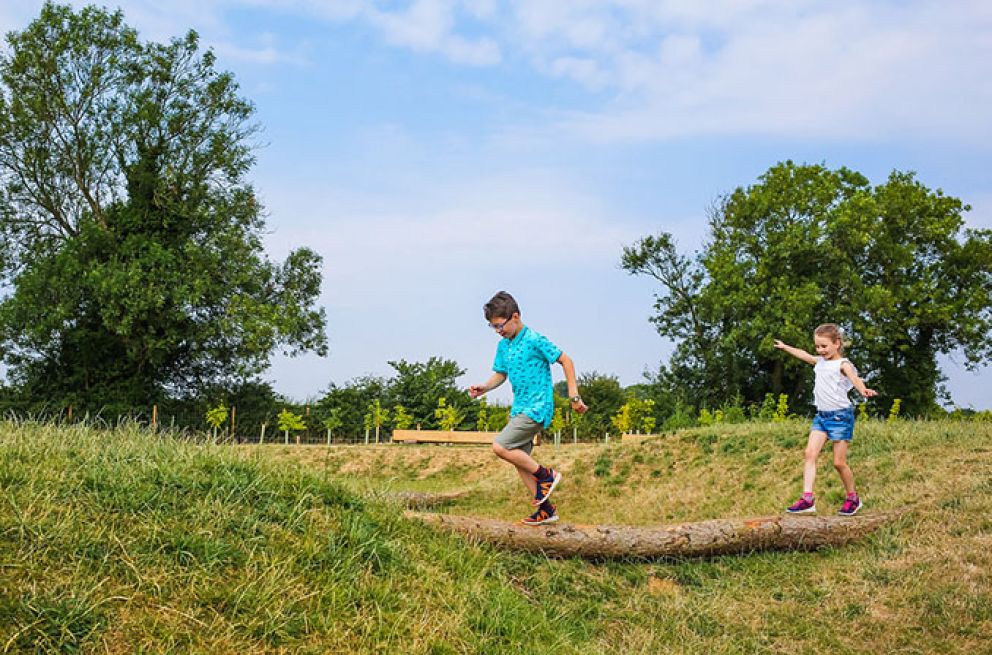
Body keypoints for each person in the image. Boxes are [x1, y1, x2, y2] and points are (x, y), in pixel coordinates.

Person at [469, 291, 588, 526]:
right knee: (519, 458)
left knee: (500, 446)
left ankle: (546, 475)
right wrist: (484, 387)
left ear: (515, 317)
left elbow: (566, 360)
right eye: (493, 327)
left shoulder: (534, 339)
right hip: (519, 408)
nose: (497, 331)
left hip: (538, 407)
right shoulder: (503, 346)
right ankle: (546, 510)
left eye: (500, 325)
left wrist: (574, 396)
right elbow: (501, 374)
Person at [775, 324, 877, 516]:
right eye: (817, 346)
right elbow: (803, 354)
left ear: (837, 343)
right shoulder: (820, 362)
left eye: (824, 346)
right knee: (809, 454)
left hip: (840, 417)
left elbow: (855, 378)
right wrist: (785, 347)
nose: (820, 350)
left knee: (838, 463)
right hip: (822, 416)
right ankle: (807, 499)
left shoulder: (843, 364)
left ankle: (853, 498)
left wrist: (863, 390)